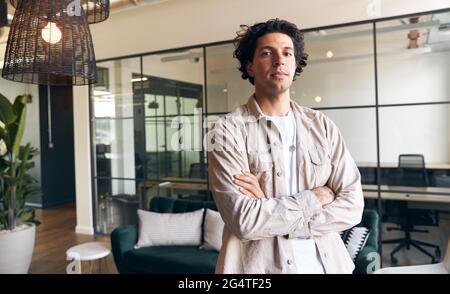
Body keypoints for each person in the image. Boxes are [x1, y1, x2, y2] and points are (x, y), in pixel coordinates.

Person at [207, 19, 364, 274]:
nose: (279, 60)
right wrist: (316, 197)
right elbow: (245, 222)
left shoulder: (322, 125)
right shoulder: (226, 131)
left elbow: (353, 205)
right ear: (250, 66)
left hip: (329, 266)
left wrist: (270, 207)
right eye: (267, 53)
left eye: (287, 53)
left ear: (295, 64)